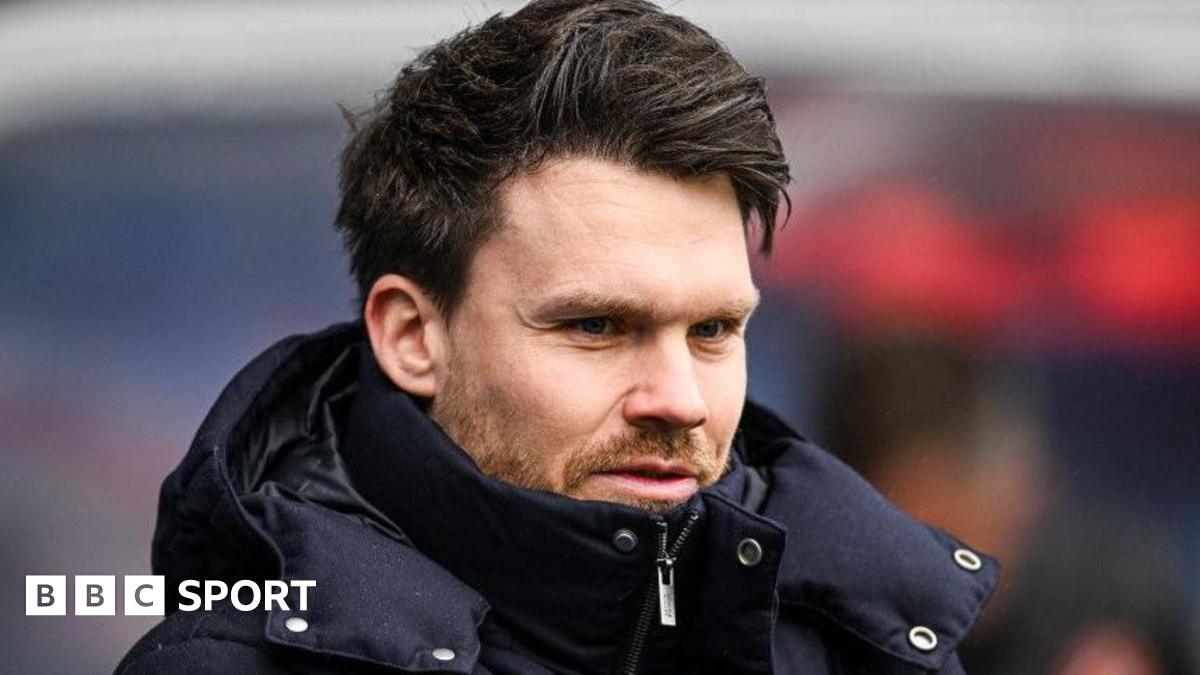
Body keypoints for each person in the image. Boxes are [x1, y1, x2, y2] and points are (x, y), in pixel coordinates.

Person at [116, 1, 997, 673]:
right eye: (597, 326)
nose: (679, 400)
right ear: (412, 335)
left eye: (714, 329)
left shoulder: (871, 641)